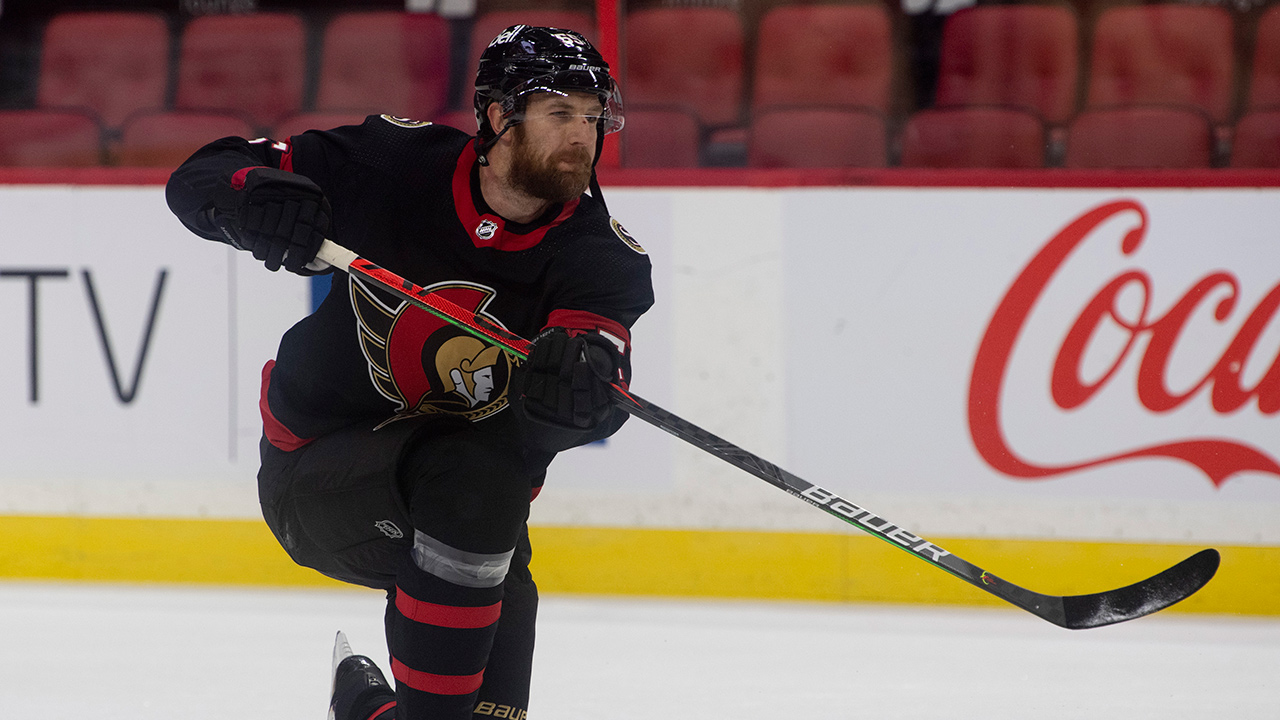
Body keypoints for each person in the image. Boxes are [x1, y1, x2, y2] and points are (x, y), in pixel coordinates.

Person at [165, 25, 653, 720]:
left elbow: (591, 372)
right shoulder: (392, 162)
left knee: (486, 491)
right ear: (496, 117)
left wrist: (581, 394)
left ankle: (364, 706)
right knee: (476, 474)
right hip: (318, 478)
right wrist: (254, 196)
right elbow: (204, 173)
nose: (584, 134)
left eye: (592, 115)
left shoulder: (601, 259)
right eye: (559, 113)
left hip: (472, 521)